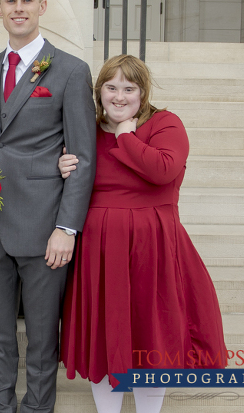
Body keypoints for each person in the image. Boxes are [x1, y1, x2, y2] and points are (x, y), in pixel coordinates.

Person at [58, 54, 227, 413]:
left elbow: (164, 170)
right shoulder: (86, 129)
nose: (119, 97)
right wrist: (60, 166)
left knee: (152, 337)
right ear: (99, 91)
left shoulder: (165, 124)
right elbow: (77, 184)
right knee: (106, 340)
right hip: (99, 252)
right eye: (111, 87)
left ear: (142, 92)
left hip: (153, 249)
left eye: (129, 88)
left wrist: (127, 136)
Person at [0, 0, 96, 413]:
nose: (19, 8)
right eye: (11, 0)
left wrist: (67, 227)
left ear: (42, 7)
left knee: (43, 342)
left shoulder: (70, 70)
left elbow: (83, 156)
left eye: (27, 0)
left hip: (45, 227)